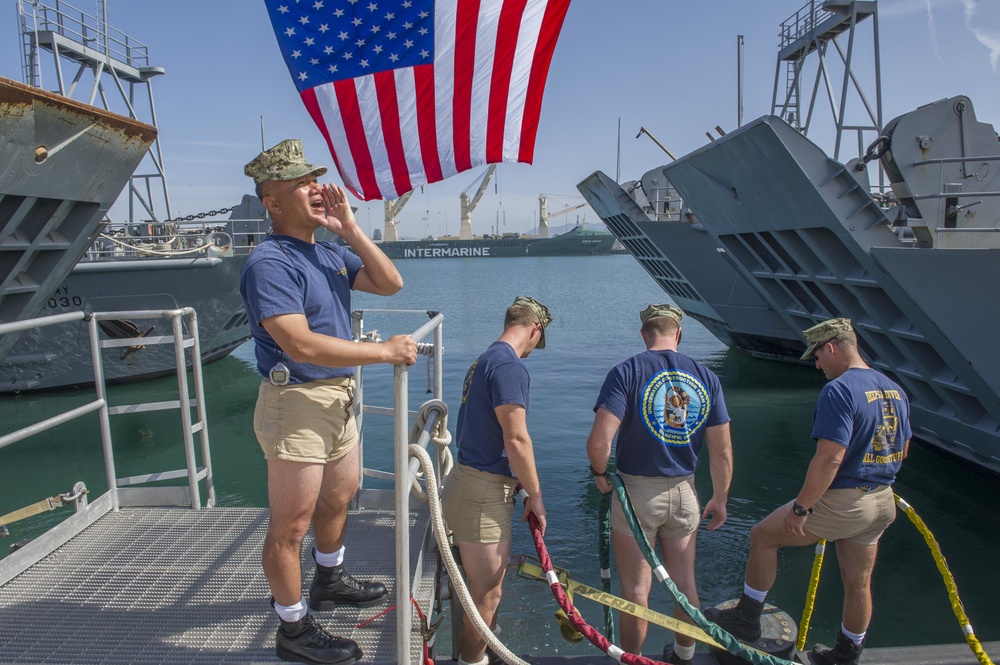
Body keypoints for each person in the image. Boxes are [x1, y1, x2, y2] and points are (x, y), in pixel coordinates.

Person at [240, 139, 418, 665]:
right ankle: (293, 630)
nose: (317, 188)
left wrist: (353, 231)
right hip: (295, 400)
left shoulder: (327, 250)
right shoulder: (269, 262)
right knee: (291, 525)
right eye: (301, 182)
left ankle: (330, 579)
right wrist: (383, 351)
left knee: (341, 495)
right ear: (271, 201)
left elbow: (390, 282)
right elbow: (297, 342)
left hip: (337, 395)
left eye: (315, 178)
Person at [708, 318, 911, 665]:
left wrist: (801, 509)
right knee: (859, 581)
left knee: (763, 537)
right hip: (882, 500)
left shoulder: (840, 390)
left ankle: (746, 618)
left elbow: (830, 458)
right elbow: (903, 449)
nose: (816, 365)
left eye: (817, 356)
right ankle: (847, 654)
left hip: (845, 501)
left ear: (831, 348)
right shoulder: (893, 388)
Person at [586, 304, 733, 665]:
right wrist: (720, 497)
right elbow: (723, 453)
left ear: (643, 334)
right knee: (684, 583)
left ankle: (633, 660)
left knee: (636, 591)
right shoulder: (706, 377)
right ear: (678, 333)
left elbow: (599, 442)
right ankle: (685, 655)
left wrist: (600, 474)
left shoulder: (626, 372)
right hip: (685, 493)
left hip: (636, 495)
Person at [441, 296, 552, 665]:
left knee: (482, 593)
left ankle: (482, 652)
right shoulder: (510, 367)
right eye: (540, 338)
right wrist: (535, 494)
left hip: (468, 482)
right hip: (482, 498)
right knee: (486, 597)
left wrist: (517, 482)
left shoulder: (485, 359)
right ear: (535, 329)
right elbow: (516, 439)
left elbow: (484, 430)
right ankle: (471, 662)